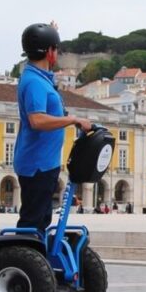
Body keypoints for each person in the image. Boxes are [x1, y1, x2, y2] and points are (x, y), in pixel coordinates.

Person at [14, 22, 92, 232]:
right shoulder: (34, 82)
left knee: (41, 221)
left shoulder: (40, 79)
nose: (57, 53)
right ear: (49, 52)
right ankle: (23, 262)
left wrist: (50, 33)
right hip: (36, 164)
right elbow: (37, 120)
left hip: (44, 162)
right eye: (55, 48)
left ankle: (36, 261)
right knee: (33, 222)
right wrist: (73, 120)